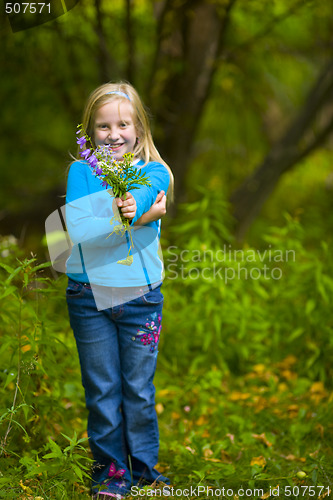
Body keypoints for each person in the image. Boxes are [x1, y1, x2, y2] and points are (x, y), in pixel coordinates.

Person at [65, 82, 174, 499]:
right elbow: (79, 230)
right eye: (103, 126)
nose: (114, 134)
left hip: (141, 300)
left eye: (123, 124)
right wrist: (138, 217)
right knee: (102, 392)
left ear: (139, 129)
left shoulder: (154, 170)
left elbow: (147, 190)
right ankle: (111, 476)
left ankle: (145, 472)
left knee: (139, 392)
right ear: (91, 133)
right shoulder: (82, 172)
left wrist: (135, 205)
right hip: (88, 298)